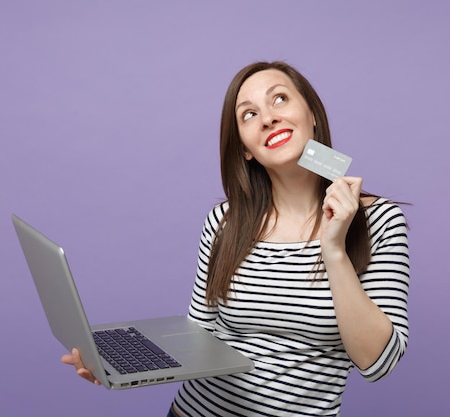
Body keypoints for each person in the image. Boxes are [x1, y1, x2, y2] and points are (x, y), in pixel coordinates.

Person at [62, 61, 410, 417]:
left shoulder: (378, 221)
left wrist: (334, 248)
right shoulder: (225, 222)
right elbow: (198, 333)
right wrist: (121, 362)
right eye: (249, 114)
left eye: (280, 99)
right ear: (246, 148)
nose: (268, 118)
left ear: (312, 114)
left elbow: (377, 362)